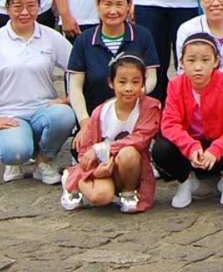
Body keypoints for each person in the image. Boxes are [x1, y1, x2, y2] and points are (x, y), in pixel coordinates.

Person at [0, 0, 77, 184]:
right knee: (15, 152)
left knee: (64, 116)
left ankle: (44, 160)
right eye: (18, 7)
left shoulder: (50, 37)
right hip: (10, 114)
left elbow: (78, 69)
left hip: (44, 110)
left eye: (31, 6)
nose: (24, 12)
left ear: (39, 7)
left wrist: (69, 99)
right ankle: (16, 158)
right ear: (7, 8)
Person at [152, 32, 223, 208]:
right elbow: (170, 124)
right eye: (191, 60)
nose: (198, 67)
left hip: (220, 146)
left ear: (216, 62)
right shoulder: (176, 85)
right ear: (182, 62)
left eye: (205, 60)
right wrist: (191, 147)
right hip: (192, 149)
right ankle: (185, 180)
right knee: (161, 148)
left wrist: (216, 149)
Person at [60, 54, 161, 214]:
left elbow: (140, 139)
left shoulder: (150, 108)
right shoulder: (101, 112)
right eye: (122, 82)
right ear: (111, 83)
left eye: (135, 82)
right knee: (101, 197)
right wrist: (95, 171)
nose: (128, 88)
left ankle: (129, 192)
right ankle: (73, 178)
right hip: (102, 167)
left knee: (129, 152)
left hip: (131, 167)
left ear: (143, 83)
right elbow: (86, 150)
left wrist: (101, 149)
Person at [67, 0, 160, 122]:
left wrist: (131, 93)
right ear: (97, 5)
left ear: (128, 6)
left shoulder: (142, 36)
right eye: (108, 4)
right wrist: (84, 120)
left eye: (119, 4)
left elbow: (151, 78)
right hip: (94, 118)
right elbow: (75, 87)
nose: (113, 11)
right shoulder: (84, 40)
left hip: (135, 116)